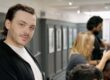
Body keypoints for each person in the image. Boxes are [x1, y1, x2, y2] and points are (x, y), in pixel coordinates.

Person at [0, 4, 45, 80]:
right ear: (8, 24)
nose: (27, 32)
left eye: (31, 27)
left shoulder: (23, 49)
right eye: (21, 24)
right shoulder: (2, 57)